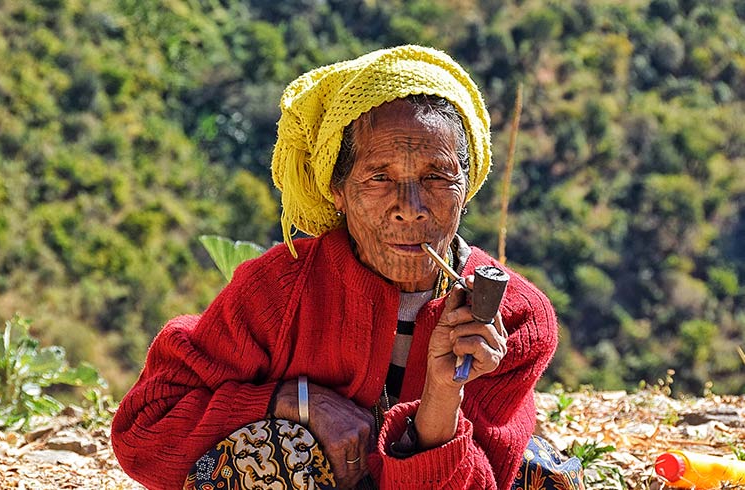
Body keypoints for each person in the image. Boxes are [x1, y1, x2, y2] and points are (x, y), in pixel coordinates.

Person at [112, 45, 577, 490]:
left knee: (543, 477)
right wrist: (294, 402)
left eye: (436, 176)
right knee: (274, 451)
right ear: (337, 190)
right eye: (380, 177)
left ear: (466, 184)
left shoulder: (512, 316)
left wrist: (441, 395)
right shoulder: (279, 290)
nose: (410, 208)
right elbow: (145, 432)